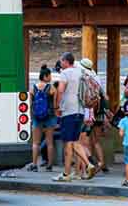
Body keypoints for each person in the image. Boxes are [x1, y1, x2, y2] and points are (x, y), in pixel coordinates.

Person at [52, 52, 95, 182]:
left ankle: (75, 170)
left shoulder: (65, 73)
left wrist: (57, 107)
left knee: (68, 143)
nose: (60, 63)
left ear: (66, 61)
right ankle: (75, 169)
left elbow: (60, 90)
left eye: (61, 61)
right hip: (80, 111)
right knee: (75, 141)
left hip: (68, 111)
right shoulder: (81, 73)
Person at [79, 58, 107, 173]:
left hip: (88, 112)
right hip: (98, 113)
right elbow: (105, 97)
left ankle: (90, 164)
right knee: (96, 141)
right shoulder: (96, 79)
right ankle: (101, 163)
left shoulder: (84, 79)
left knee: (85, 142)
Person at [28, 65, 57, 171]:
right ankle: (49, 165)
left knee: (35, 142)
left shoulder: (33, 88)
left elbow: (30, 104)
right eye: (50, 76)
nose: (51, 78)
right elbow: (55, 105)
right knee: (49, 142)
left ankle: (34, 164)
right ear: (45, 76)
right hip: (49, 117)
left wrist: (32, 115)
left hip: (37, 117)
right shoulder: (52, 88)